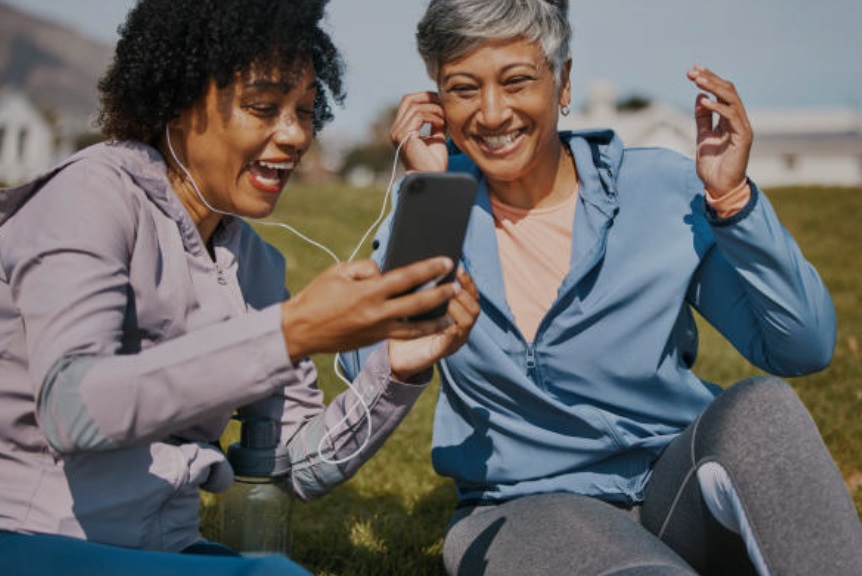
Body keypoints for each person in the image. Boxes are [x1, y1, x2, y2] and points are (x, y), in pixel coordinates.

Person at [341, 0, 862, 574]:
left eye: (516, 81)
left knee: (762, 409)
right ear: (436, 98)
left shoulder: (661, 188)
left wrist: (733, 201)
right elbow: (370, 368)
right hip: (527, 507)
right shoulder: (430, 213)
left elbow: (802, 348)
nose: (491, 113)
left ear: (562, 81)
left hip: (672, 484)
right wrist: (429, 193)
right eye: (464, 88)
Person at [0, 0, 480, 575]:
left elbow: (292, 466)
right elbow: (72, 406)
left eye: (304, 111)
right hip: (33, 539)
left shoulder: (254, 262)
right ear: (178, 100)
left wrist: (397, 371)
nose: (295, 134)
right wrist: (292, 331)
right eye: (264, 108)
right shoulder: (90, 198)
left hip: (167, 550)